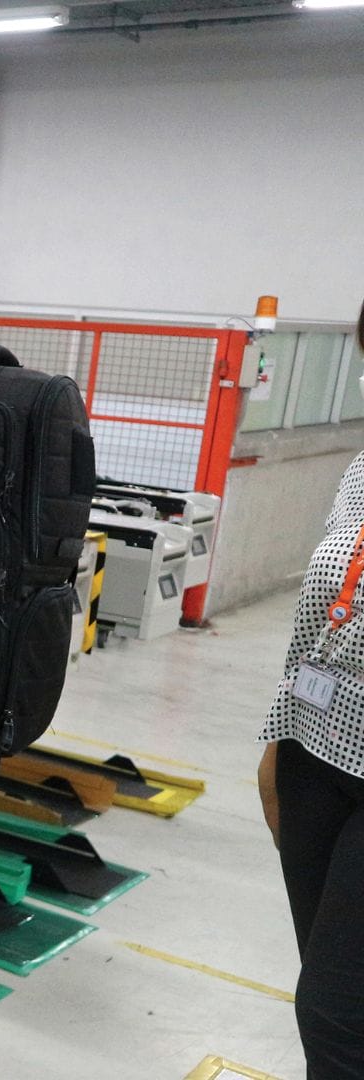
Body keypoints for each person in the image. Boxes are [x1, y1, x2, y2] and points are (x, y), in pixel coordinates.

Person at [259, 302, 364, 1080]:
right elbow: (322, 618)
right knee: (330, 999)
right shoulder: (363, 470)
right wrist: (280, 735)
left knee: (335, 1016)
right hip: (318, 757)